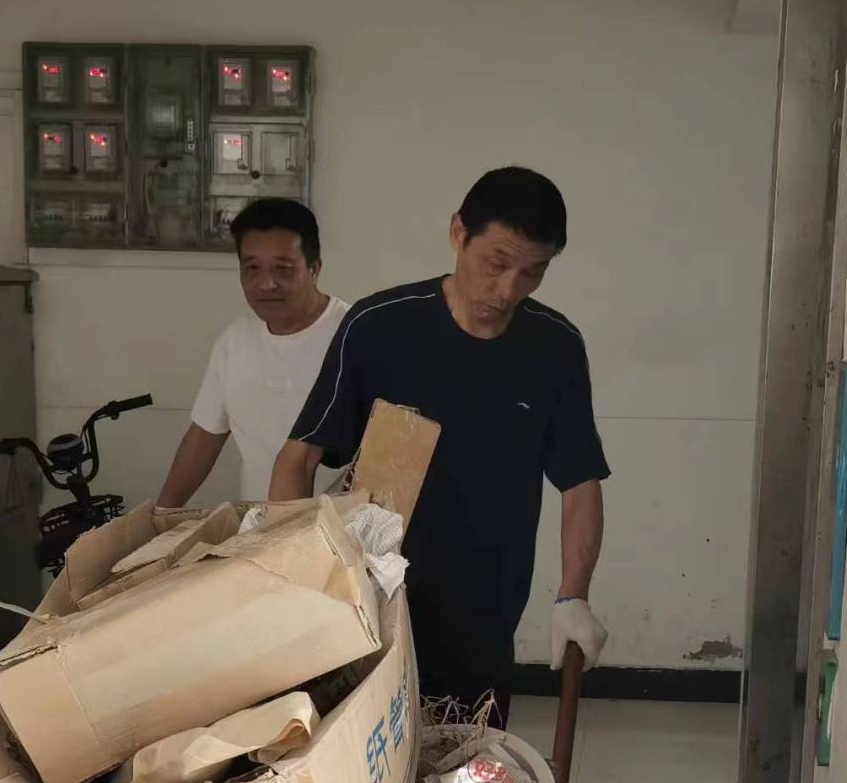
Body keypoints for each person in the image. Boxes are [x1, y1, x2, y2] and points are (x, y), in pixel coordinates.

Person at [269, 167, 609, 726]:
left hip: (485, 617)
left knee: (467, 764)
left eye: (533, 272)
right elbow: (298, 457)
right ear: (457, 233)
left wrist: (574, 595)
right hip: (371, 606)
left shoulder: (555, 347)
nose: (508, 290)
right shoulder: (381, 327)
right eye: (497, 264)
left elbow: (580, 481)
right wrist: (294, 575)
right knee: (366, 761)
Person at [158, 198, 349, 507]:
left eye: (283, 269)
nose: (266, 284)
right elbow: (205, 435)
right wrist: (161, 513)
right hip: (258, 528)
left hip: (341, 529)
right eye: (252, 269)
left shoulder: (355, 336)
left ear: (314, 268)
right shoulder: (234, 342)